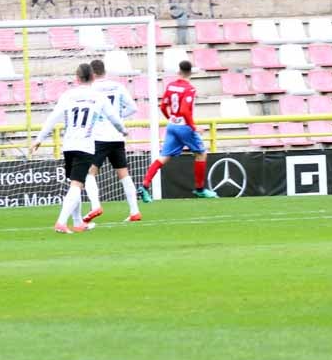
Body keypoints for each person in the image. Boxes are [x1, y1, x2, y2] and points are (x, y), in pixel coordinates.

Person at [30, 63, 128, 234]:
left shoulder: (68, 95)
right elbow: (114, 117)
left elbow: (53, 118)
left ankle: (78, 222)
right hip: (85, 145)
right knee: (77, 184)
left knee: (76, 184)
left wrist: (39, 139)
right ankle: (61, 222)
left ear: (76, 78)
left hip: (68, 145)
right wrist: (123, 130)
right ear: (92, 77)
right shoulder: (98, 97)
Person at [138, 60, 218, 202]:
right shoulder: (190, 89)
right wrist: (194, 127)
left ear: (179, 71)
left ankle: (144, 185)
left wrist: (171, 119)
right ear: (190, 72)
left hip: (172, 126)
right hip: (184, 127)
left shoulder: (170, 86)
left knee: (163, 157)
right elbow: (184, 111)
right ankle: (200, 189)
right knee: (201, 154)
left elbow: (163, 106)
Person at [82, 59, 143, 223]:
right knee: (123, 173)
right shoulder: (118, 86)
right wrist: (116, 116)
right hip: (117, 135)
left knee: (89, 173)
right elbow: (133, 108)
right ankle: (134, 211)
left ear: (92, 73)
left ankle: (95, 205)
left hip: (99, 136)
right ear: (104, 71)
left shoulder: (91, 89)